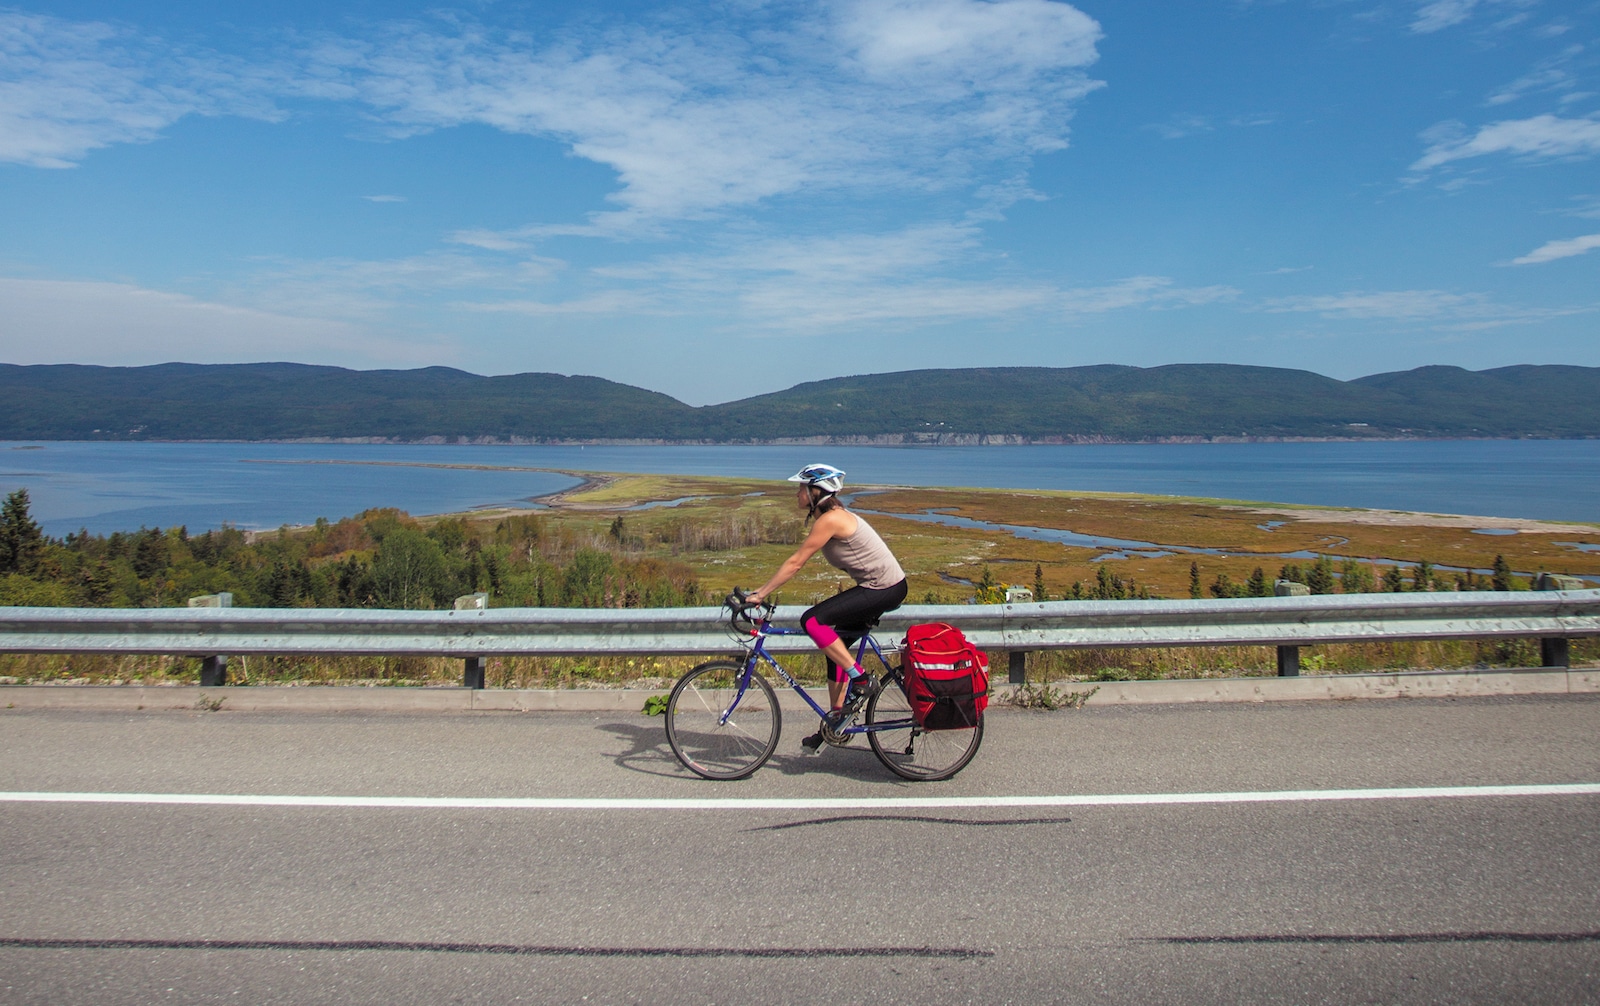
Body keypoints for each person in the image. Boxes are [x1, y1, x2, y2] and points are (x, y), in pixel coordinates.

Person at [744, 464, 908, 752]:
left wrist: (761, 593)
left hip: (884, 588)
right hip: (881, 587)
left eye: (800, 489)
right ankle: (837, 720)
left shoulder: (831, 519)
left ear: (815, 491)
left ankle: (861, 679)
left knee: (812, 621)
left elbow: (796, 562)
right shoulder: (831, 517)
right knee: (837, 649)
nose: (797, 494)